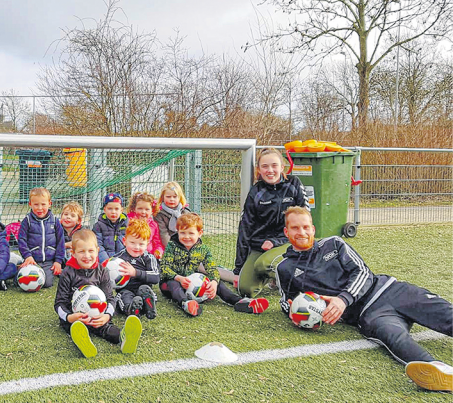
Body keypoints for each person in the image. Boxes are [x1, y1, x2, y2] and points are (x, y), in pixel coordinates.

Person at [276, 206, 452, 392]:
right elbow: (286, 302)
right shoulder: (284, 268)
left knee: (446, 314)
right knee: (395, 339)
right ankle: (442, 373)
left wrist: (342, 299)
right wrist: (293, 312)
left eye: (305, 227)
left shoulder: (334, 244)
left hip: (391, 291)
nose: (301, 232)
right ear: (286, 232)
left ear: (313, 229)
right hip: (369, 314)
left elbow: (363, 272)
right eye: (295, 228)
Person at [54, 229, 142, 358]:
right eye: (81, 251)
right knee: (76, 328)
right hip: (75, 317)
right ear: (73, 253)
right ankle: (84, 341)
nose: (87, 255)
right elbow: (59, 303)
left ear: (97, 251)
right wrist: (69, 317)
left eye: (90, 251)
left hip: (98, 315)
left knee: (107, 329)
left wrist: (106, 316)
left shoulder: (102, 271)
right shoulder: (67, 273)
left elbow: (110, 299)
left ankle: (124, 338)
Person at [160, 213, 269, 317]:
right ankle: (186, 304)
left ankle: (240, 302)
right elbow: (164, 268)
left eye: (191, 233)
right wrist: (179, 278)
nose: (186, 237)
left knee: (218, 284)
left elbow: (212, 269)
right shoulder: (172, 246)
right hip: (169, 283)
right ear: (177, 232)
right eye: (182, 233)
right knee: (173, 284)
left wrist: (214, 282)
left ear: (200, 233)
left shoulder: (203, 249)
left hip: (191, 283)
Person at [235, 148, 308, 297]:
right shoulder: (255, 192)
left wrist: (275, 241)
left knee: (264, 264)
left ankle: (305, 280)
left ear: (282, 167)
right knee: (246, 290)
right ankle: (275, 278)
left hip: (287, 242)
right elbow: (245, 229)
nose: (270, 170)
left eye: (274, 165)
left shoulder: (293, 184)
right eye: (265, 166)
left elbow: (304, 222)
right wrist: (239, 268)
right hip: (260, 246)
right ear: (259, 170)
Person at [17, 188, 65, 288]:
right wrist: (27, 256)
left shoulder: (55, 221)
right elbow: (21, 240)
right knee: (21, 282)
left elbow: (61, 242)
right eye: (36, 204)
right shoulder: (27, 221)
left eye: (43, 204)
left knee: (47, 283)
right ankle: (19, 270)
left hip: (48, 261)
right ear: (30, 204)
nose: (39, 208)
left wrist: (58, 261)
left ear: (49, 203)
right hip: (32, 260)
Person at [112, 219, 159, 319]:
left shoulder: (148, 258)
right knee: (124, 297)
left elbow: (156, 277)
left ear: (147, 244)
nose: (136, 247)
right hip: (125, 289)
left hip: (143, 288)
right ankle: (132, 310)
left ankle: (148, 306)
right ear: (124, 241)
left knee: (144, 290)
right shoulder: (118, 258)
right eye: (132, 242)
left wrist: (135, 273)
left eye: (141, 244)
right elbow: (109, 272)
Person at [126, 192, 164, 259]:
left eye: (147, 209)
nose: (143, 212)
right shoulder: (128, 222)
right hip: (131, 255)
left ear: (152, 210)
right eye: (140, 208)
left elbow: (157, 242)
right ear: (134, 208)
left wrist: (158, 251)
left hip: (147, 256)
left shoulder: (153, 225)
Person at [154, 181, 190, 249]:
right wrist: (171, 248)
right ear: (163, 197)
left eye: (175, 197)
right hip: (168, 244)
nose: (172, 199)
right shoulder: (159, 214)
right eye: (168, 197)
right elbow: (163, 234)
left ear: (180, 198)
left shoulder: (185, 212)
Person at [92, 193, 128, 262]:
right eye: (110, 209)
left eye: (116, 209)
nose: (113, 212)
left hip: (123, 261)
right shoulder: (98, 226)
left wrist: (125, 260)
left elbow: (130, 244)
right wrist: (106, 261)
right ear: (104, 209)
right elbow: (98, 244)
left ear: (121, 210)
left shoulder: (127, 225)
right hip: (105, 262)